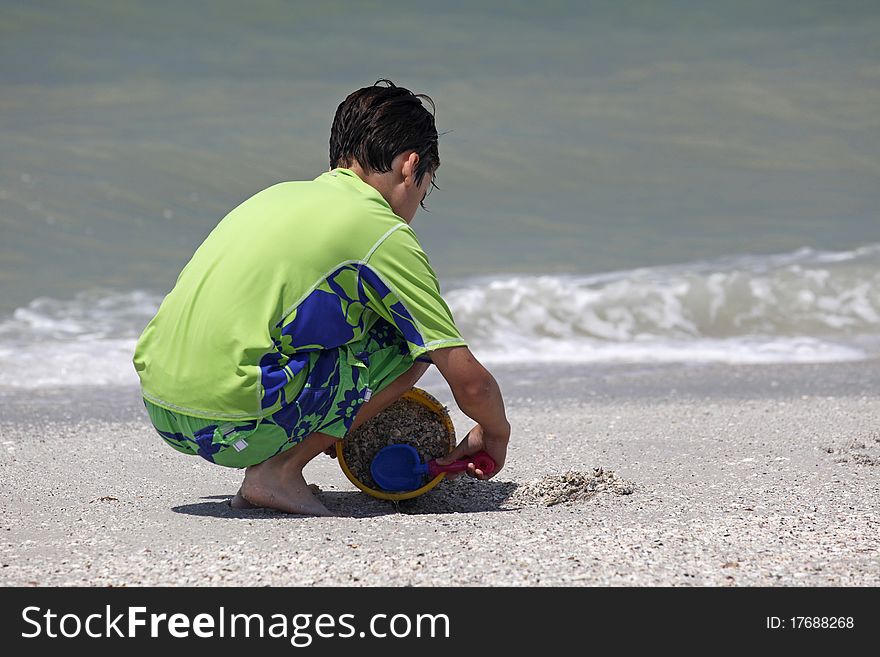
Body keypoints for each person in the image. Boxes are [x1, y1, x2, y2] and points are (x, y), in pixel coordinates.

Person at [133, 79, 510, 516]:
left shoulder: (273, 196)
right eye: (426, 190)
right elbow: (470, 381)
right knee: (408, 345)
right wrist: (493, 433)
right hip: (228, 419)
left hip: (163, 408)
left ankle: (282, 448)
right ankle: (277, 471)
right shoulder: (382, 232)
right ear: (411, 167)